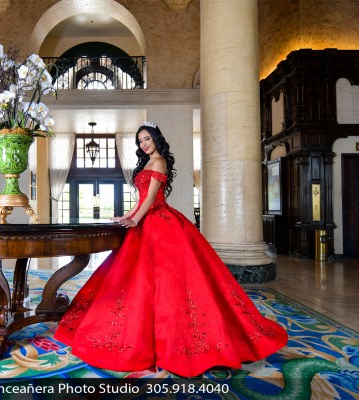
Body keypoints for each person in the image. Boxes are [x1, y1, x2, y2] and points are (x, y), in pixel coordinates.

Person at [54, 122, 288, 377]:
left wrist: (135, 219)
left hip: (161, 224)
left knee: (170, 281)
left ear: (156, 138)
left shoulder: (160, 162)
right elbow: (141, 200)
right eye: (140, 141)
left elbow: (153, 198)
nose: (143, 144)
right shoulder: (146, 164)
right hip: (145, 220)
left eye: (147, 139)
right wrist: (126, 216)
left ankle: (177, 342)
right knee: (132, 279)